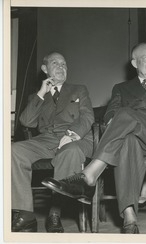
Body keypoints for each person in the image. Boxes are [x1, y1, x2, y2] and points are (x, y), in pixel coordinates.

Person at [42, 43, 146, 234]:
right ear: (134, 63)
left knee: (125, 114)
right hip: (131, 137)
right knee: (126, 138)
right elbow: (109, 114)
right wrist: (118, 123)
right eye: (145, 58)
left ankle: (89, 175)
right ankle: (130, 219)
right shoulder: (121, 88)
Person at [11, 52, 94, 232]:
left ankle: (54, 214)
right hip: (46, 140)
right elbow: (26, 122)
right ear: (44, 69)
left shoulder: (79, 89)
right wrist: (41, 93)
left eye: (64, 64)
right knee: (13, 150)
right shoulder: (38, 96)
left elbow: (88, 117)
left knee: (69, 151)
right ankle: (25, 214)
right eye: (55, 63)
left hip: (74, 138)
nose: (61, 66)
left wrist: (73, 133)